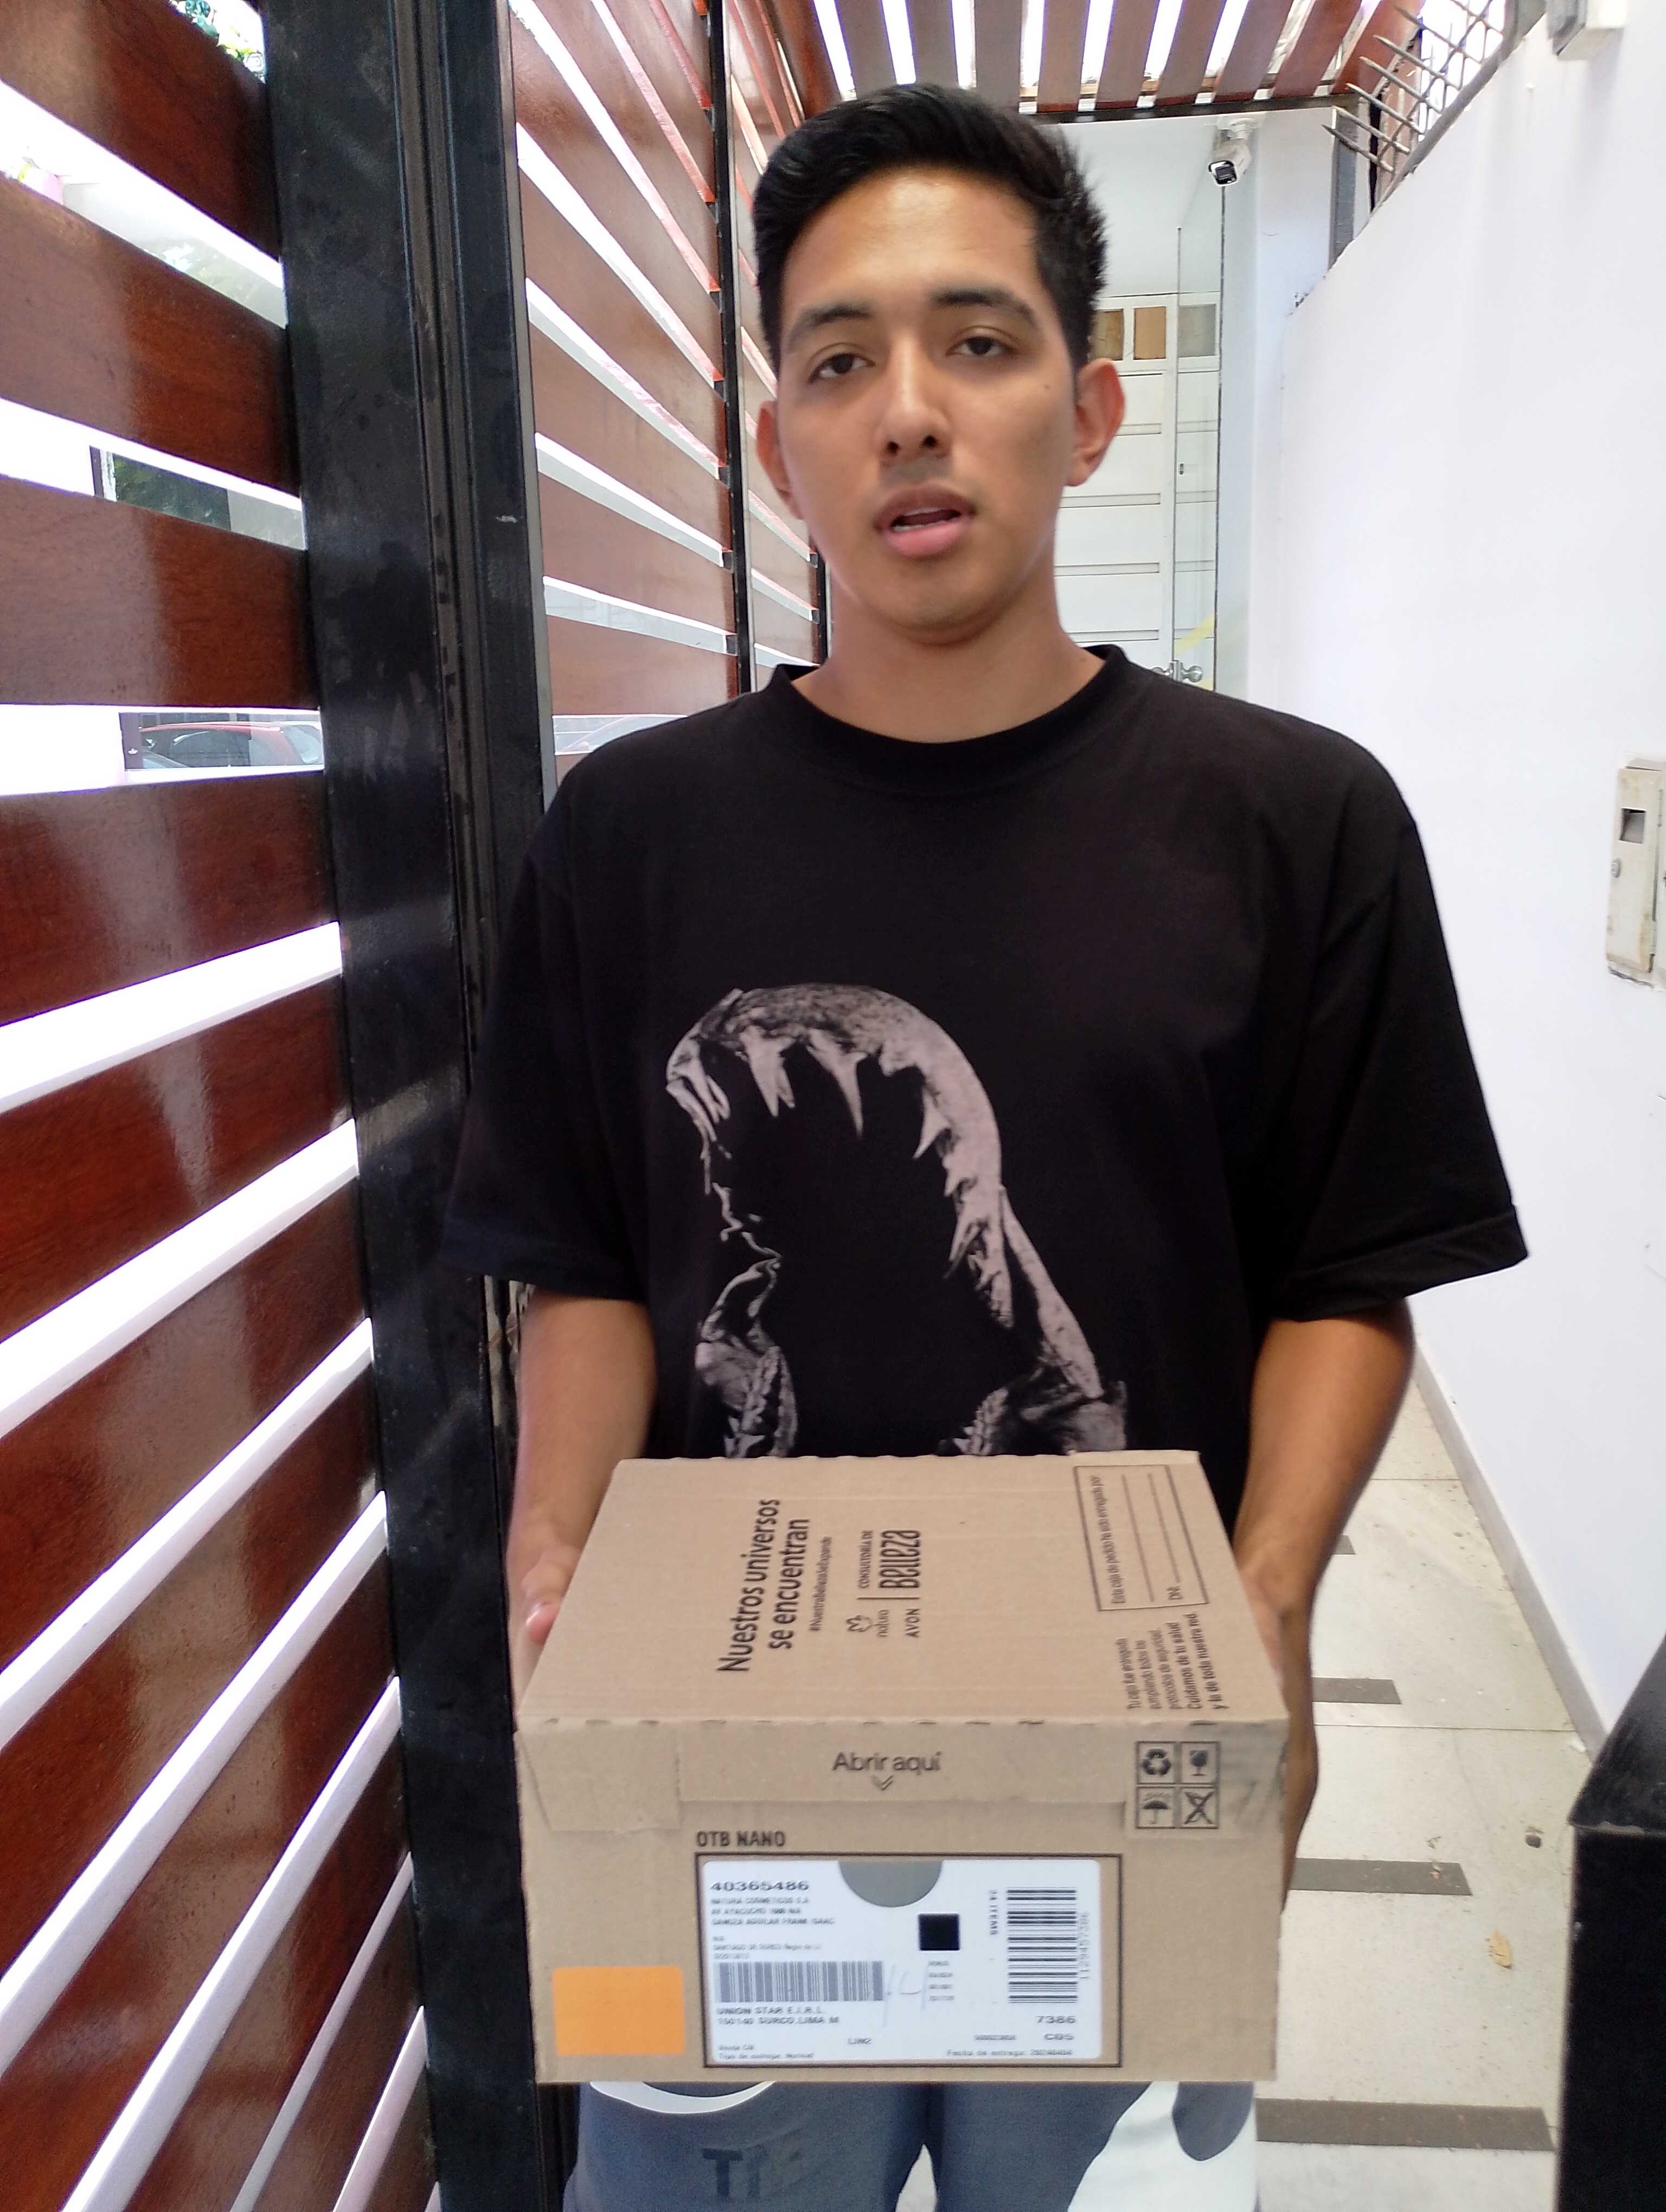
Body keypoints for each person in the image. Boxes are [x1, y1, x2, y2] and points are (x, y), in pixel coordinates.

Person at [444, 82, 1526, 2212]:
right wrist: (552, 1552)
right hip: (733, 1780)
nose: (910, 414)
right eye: (839, 361)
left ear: (1090, 411)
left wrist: (1267, 1603)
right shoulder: (633, 835)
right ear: (781, 449)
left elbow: (1346, 1273)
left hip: (1114, 1770)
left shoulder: (1292, 822)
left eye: (979, 342)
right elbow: (586, 1255)